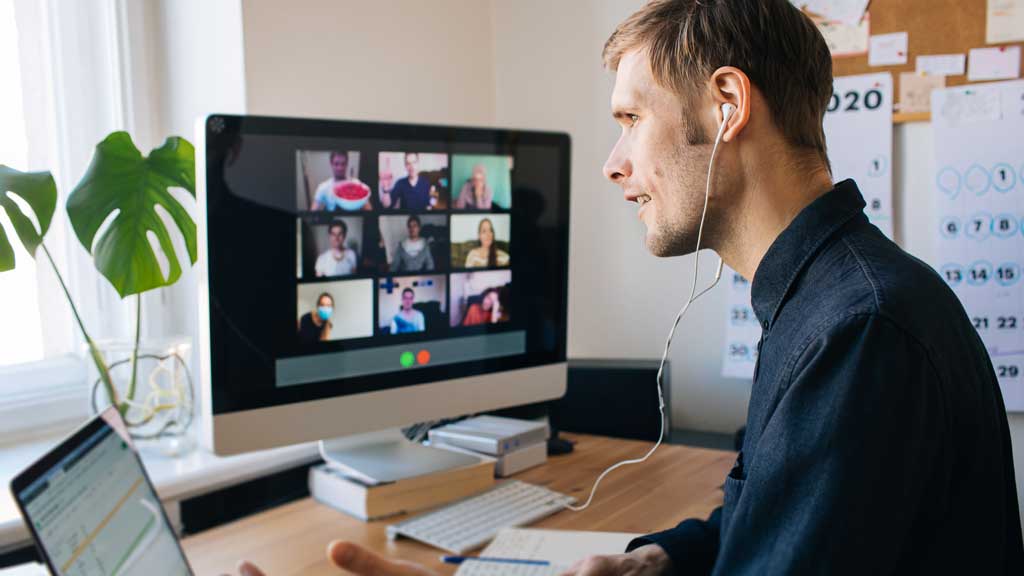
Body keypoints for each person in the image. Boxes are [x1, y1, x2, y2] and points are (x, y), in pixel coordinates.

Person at [238, 1, 1023, 574]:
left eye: (630, 119)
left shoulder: (856, 331)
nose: (613, 163)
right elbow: (767, 520)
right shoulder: (830, 296)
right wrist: (656, 562)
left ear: (727, 106)